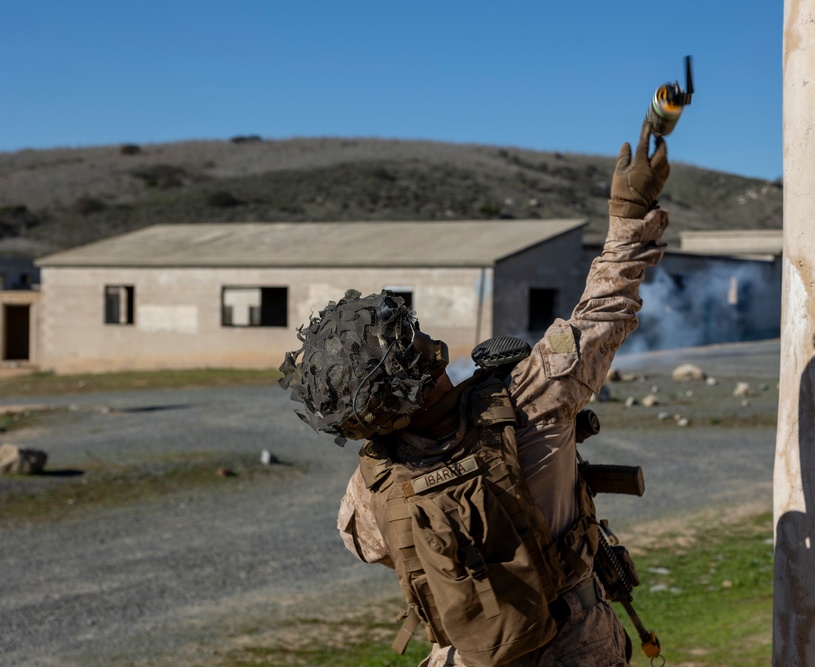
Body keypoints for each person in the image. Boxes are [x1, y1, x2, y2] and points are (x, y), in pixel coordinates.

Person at [279, 120, 671, 667]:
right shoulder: (532, 396)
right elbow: (604, 312)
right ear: (426, 361)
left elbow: (369, 547)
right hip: (577, 644)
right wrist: (628, 217)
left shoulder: (374, 487)